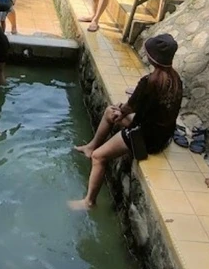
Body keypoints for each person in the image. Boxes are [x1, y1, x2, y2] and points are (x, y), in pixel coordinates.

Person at [69, 34, 183, 210]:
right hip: (162, 135)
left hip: (145, 139)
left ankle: (89, 201)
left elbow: (128, 109)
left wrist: (121, 112)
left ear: (152, 57)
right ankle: (90, 146)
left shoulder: (149, 82)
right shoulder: (175, 79)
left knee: (99, 156)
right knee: (109, 112)